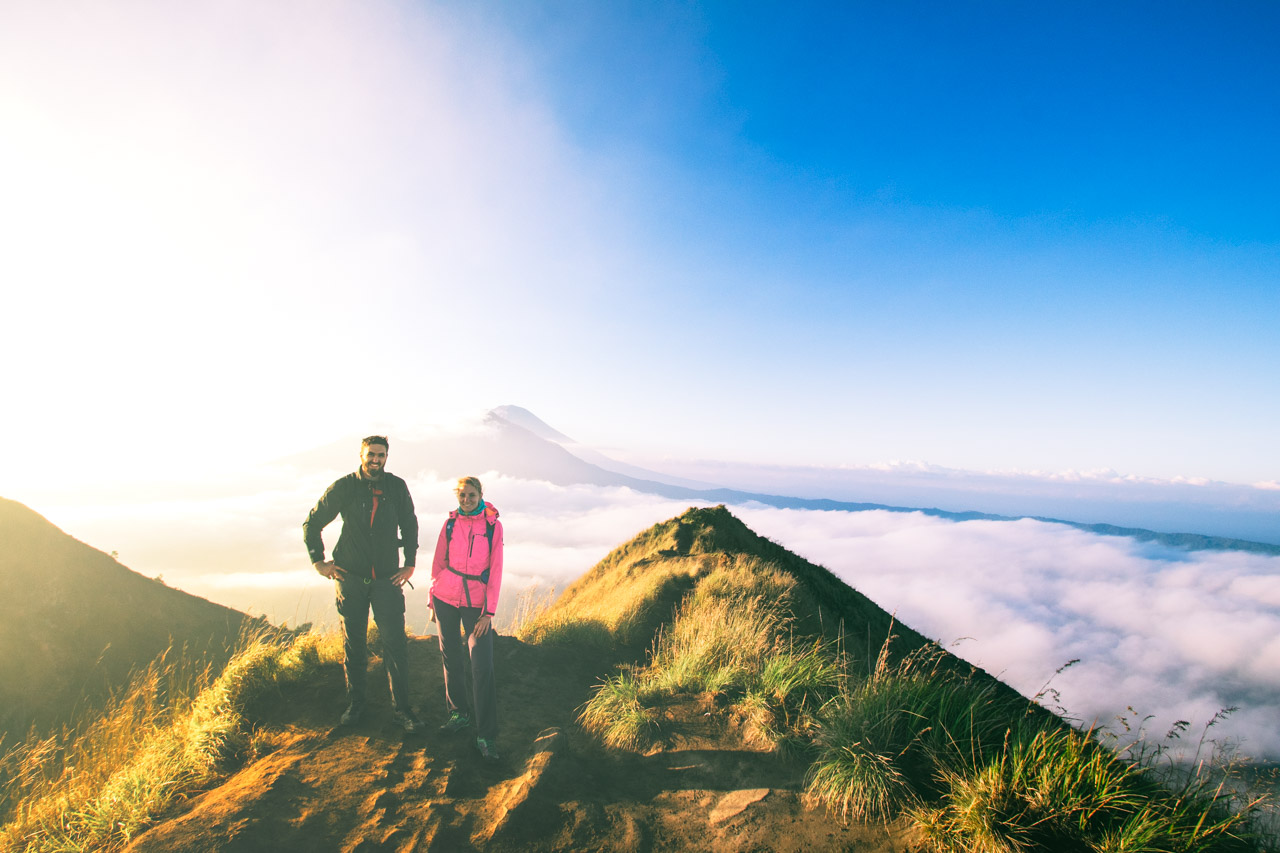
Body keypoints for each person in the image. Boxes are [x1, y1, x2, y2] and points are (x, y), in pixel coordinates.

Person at [303, 435, 423, 732]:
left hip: (387, 579)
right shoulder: (345, 486)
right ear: (361, 455)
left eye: (381, 455)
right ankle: (356, 705)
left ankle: (403, 710)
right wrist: (319, 562)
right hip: (350, 578)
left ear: (386, 457)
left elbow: (409, 524)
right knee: (353, 645)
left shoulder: (396, 486)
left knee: (395, 644)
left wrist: (409, 564)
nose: (375, 460)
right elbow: (313, 522)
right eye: (371, 454)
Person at [430, 476, 504, 760]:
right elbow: (439, 562)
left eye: (471, 495)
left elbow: (496, 570)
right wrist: (431, 596)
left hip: (476, 604)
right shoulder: (450, 524)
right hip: (445, 597)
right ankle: (458, 714)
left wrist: (489, 612)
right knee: (450, 657)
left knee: (481, 666)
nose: (466, 500)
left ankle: (486, 735)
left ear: (480, 495)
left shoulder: (492, 526)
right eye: (462, 495)